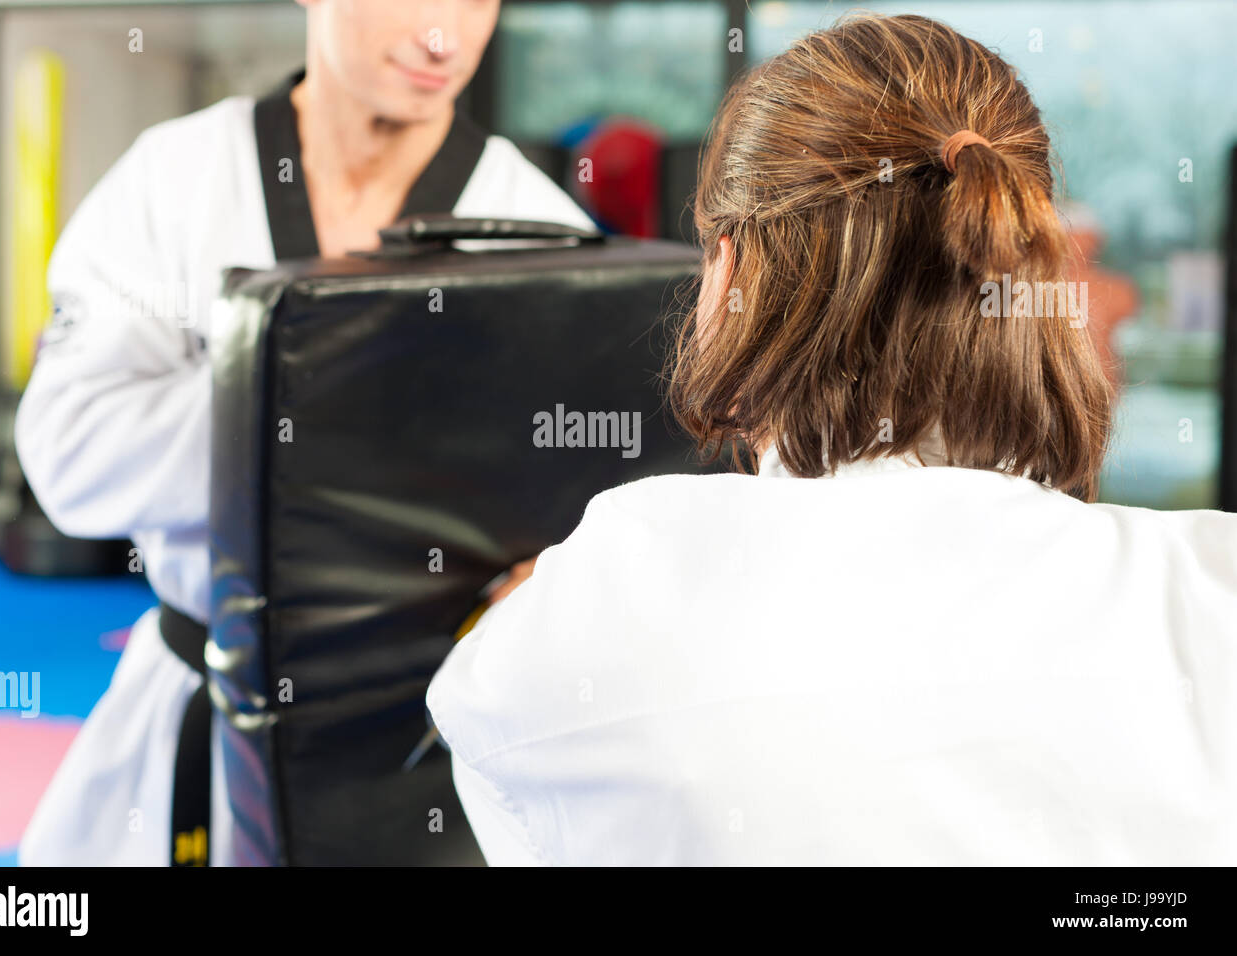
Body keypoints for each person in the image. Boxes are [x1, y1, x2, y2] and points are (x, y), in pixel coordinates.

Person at [425, 13, 1237, 865]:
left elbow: (482, 727)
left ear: (732, 272)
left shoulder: (609, 588)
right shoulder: (1207, 588)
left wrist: (508, 610)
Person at [15, 0, 588, 866]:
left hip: (437, 731)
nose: (446, 34)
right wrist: (319, 388)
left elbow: (573, 514)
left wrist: (550, 573)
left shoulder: (537, 227)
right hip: (208, 704)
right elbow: (69, 453)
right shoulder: (174, 180)